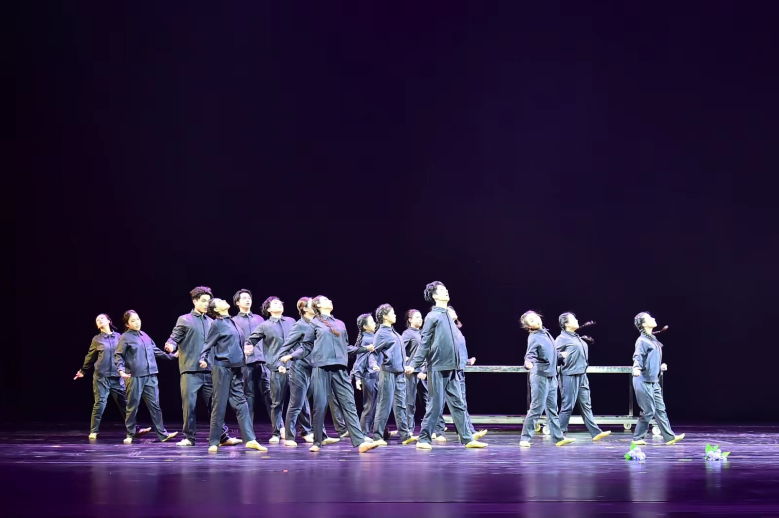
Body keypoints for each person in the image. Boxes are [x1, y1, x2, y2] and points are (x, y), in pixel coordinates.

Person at [280, 295, 379, 453]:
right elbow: (306, 346)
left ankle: (360, 442)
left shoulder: (340, 323)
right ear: (318, 305)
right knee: (320, 405)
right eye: (326, 300)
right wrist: (291, 356)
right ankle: (318, 441)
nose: (330, 301)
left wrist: (364, 349)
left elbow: (346, 347)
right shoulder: (314, 323)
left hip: (340, 369)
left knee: (349, 404)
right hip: (321, 368)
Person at [405, 281, 487, 449]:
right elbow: (425, 343)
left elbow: (452, 343)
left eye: (446, 289)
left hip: (453, 367)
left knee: (458, 404)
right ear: (435, 295)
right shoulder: (432, 316)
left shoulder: (448, 316)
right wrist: (415, 364)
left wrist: (462, 362)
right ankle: (423, 439)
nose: (446, 291)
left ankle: (467, 439)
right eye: (442, 290)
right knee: (435, 405)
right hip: (438, 366)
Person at [164, 287, 237, 447]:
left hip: (210, 370)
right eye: (203, 301)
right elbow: (175, 337)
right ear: (195, 301)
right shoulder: (184, 319)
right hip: (190, 370)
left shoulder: (213, 321)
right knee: (189, 405)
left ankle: (223, 437)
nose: (206, 304)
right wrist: (171, 345)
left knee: (215, 405)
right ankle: (189, 437)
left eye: (208, 302)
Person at [199, 298, 268, 453]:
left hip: (237, 368)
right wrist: (203, 358)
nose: (224, 300)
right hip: (222, 368)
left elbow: (235, 343)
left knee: (241, 403)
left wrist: (245, 350)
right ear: (216, 309)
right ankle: (214, 441)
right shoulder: (217, 324)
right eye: (220, 301)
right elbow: (207, 344)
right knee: (219, 404)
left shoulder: (232, 322)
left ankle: (250, 440)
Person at [74, 314, 151, 440]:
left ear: (109, 321)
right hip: (101, 377)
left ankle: (134, 429)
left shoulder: (120, 337)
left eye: (102, 318)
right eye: (97, 320)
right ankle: (94, 431)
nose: (99, 320)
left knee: (125, 404)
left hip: (117, 377)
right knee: (100, 403)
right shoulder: (97, 339)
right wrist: (83, 370)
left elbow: (127, 354)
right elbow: (90, 356)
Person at [274, 297, 334, 446]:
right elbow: (286, 345)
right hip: (300, 368)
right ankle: (289, 437)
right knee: (297, 403)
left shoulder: (319, 323)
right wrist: (280, 363)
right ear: (305, 309)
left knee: (320, 401)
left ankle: (322, 436)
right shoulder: (300, 325)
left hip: (316, 367)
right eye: (311, 304)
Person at [114, 310, 179, 444]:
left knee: (155, 406)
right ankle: (130, 434)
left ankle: (162, 434)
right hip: (135, 376)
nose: (137, 322)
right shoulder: (125, 337)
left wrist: (172, 357)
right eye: (133, 321)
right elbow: (119, 355)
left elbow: (155, 351)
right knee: (132, 406)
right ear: (127, 324)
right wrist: (121, 370)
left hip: (150, 375)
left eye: (138, 319)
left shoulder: (144, 335)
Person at [518, 311, 575, 448]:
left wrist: (560, 355)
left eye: (536, 317)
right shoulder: (534, 337)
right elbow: (530, 354)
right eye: (532, 320)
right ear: (528, 326)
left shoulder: (545, 334)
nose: (536, 320)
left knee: (552, 409)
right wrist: (528, 362)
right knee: (537, 407)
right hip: (540, 376)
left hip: (551, 375)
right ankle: (525, 438)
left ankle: (558, 437)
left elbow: (549, 353)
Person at [244, 297, 295, 443]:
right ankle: (276, 432)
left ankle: (304, 431)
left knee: (299, 401)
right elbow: (250, 340)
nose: (279, 304)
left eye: (280, 302)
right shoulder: (264, 325)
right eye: (275, 303)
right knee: (277, 402)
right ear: (269, 309)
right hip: (276, 368)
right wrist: (248, 349)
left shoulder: (291, 321)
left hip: (294, 366)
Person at [555, 312, 611, 441]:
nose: (577, 320)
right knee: (568, 405)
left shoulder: (576, 337)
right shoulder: (562, 338)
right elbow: (552, 355)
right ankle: (559, 434)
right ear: (566, 324)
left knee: (586, 405)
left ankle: (595, 432)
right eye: (573, 319)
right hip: (569, 375)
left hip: (582, 375)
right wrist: (561, 355)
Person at [631, 312, 685, 446]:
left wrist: (660, 367)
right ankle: (637, 438)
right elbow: (638, 356)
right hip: (642, 380)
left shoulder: (652, 339)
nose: (653, 318)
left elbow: (650, 359)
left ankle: (669, 437)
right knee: (648, 410)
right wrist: (636, 368)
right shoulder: (642, 340)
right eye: (650, 318)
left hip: (653, 381)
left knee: (660, 409)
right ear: (644, 324)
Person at [370, 304, 416, 446]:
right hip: (388, 372)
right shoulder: (381, 333)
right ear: (385, 316)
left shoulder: (393, 332)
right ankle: (378, 436)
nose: (395, 315)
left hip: (399, 373)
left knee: (401, 404)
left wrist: (403, 364)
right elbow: (373, 352)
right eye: (392, 313)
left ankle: (405, 435)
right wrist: (374, 364)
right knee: (384, 404)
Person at [230, 289, 272, 429]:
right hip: (245, 362)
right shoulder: (233, 321)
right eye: (244, 298)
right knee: (248, 395)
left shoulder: (259, 319)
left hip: (262, 360)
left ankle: (278, 427)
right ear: (237, 302)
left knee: (269, 394)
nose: (248, 300)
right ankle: (248, 429)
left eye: (249, 298)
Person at [447, 306, 488, 441]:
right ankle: (465, 432)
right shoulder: (446, 330)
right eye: (449, 311)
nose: (453, 312)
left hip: (459, 369)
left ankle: (467, 432)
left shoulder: (456, 330)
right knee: (454, 403)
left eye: (453, 310)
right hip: (450, 371)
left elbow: (458, 351)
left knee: (461, 402)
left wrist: (467, 361)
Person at [351, 314, 380, 438]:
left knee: (375, 406)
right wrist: (357, 378)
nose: (375, 324)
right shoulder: (367, 340)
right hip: (369, 376)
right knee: (369, 406)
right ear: (365, 326)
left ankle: (381, 431)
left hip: (375, 375)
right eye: (372, 322)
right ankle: (363, 433)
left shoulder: (373, 337)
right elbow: (360, 360)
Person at [401, 310, 427, 437]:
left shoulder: (423, 333)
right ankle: (408, 429)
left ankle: (430, 427)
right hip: (411, 372)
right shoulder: (407, 334)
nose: (420, 319)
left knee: (428, 400)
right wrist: (405, 362)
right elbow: (400, 350)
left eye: (421, 317)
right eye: (417, 317)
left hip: (423, 371)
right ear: (410, 319)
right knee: (410, 402)